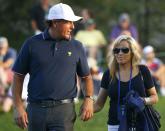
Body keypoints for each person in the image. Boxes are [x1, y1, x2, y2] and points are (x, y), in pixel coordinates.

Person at [12, 3, 94, 131]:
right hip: (35, 110)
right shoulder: (31, 44)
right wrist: (18, 107)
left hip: (64, 112)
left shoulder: (77, 46)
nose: (73, 26)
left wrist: (88, 99)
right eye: (69, 22)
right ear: (55, 22)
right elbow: (18, 77)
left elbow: (86, 77)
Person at [94, 35, 158, 131]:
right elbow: (99, 104)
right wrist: (85, 109)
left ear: (133, 52)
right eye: (116, 50)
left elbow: (154, 97)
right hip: (115, 125)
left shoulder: (143, 71)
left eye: (125, 50)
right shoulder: (108, 73)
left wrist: (143, 100)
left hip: (140, 123)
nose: (120, 53)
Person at [0, 37, 16, 103]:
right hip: (2, 75)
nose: (1, 48)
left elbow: (7, 65)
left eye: (2, 47)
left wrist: (1, 56)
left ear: (7, 46)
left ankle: (5, 87)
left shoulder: (11, 51)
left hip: (12, 72)